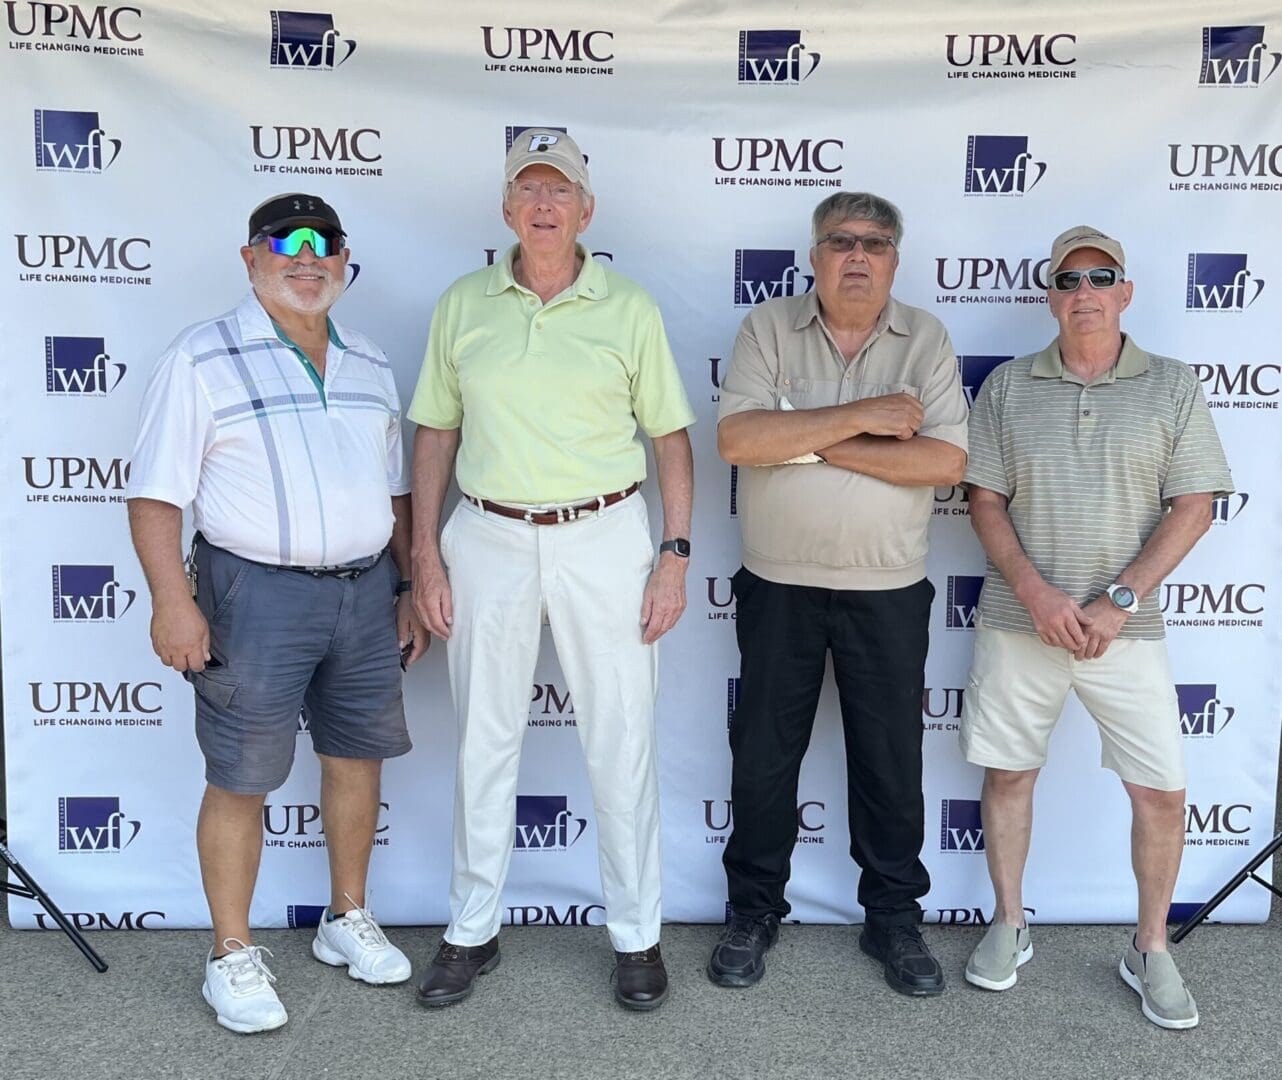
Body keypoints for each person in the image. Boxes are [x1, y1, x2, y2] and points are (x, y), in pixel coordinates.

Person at [408, 130, 696, 1011]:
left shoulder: (630, 307)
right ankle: (470, 931)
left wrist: (675, 555)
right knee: (485, 739)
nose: (543, 204)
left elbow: (671, 441)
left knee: (620, 741)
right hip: (487, 534)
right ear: (505, 208)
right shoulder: (464, 303)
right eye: (527, 189)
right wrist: (423, 548)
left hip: (603, 534)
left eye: (559, 190)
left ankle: (637, 936)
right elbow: (436, 433)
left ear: (586, 210)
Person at [126, 193, 424, 1033]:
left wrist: (404, 587)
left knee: (357, 756)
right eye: (285, 243)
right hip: (251, 593)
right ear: (251, 259)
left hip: (365, 590)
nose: (307, 257)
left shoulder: (368, 361)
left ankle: (346, 917)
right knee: (243, 775)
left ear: (344, 260)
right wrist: (171, 602)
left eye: (324, 243)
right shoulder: (201, 357)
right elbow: (155, 496)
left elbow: (394, 492)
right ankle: (230, 953)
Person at [960, 225, 1232, 1030]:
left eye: (1100, 277)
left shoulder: (1174, 385)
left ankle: (1150, 946)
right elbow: (984, 501)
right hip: (1021, 623)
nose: (1084, 291)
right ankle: (1009, 922)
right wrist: (1037, 592)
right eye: (1068, 279)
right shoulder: (1008, 386)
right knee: (1009, 775)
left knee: (1160, 791)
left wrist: (1120, 599)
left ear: (1126, 291)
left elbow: (1195, 506)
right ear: (1050, 295)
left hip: (1128, 633)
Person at [711, 191, 967, 996]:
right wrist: (866, 422)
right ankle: (753, 910)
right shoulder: (765, 329)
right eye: (840, 241)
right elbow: (739, 440)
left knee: (889, 763)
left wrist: (809, 436)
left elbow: (942, 463)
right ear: (813, 256)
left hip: (886, 590)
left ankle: (892, 917)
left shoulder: (924, 337)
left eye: (876, 243)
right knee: (761, 761)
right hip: (778, 586)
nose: (858, 255)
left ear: (895, 258)